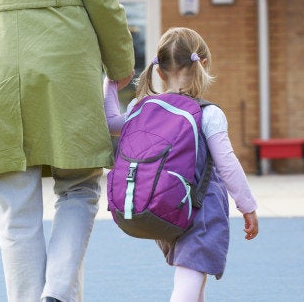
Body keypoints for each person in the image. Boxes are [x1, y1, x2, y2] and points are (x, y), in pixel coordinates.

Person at [0, 0, 135, 301]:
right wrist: (121, 62)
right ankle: (58, 290)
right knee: (78, 186)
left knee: (15, 206)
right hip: (64, 56)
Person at [103, 27, 259, 302]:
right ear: (203, 65)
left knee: (194, 280)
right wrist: (247, 205)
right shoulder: (207, 113)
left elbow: (111, 124)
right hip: (201, 208)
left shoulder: (141, 106)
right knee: (189, 278)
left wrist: (110, 85)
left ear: (160, 72)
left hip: (165, 205)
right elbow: (228, 164)